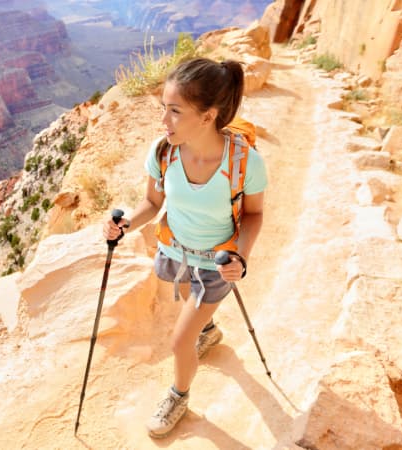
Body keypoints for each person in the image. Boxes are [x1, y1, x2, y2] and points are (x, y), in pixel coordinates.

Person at [102, 57, 267, 438]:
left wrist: (241, 256)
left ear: (208, 115)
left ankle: (179, 395)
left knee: (180, 341)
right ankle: (208, 329)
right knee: (189, 311)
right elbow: (152, 202)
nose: (164, 121)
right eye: (163, 109)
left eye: (175, 112)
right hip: (175, 254)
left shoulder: (245, 163)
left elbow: (255, 216)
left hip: (216, 265)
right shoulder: (164, 152)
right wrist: (125, 223)